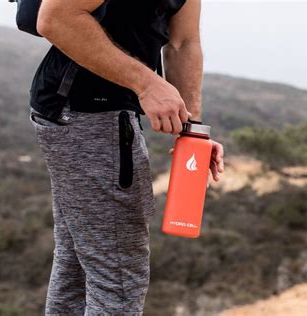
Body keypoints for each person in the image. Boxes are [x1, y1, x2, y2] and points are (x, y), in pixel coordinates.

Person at [27, 0, 224, 315]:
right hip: (84, 113)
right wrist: (147, 84)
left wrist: (192, 130)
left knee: (77, 267)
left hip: (104, 114)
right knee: (119, 278)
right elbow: (55, 19)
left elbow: (183, 42)